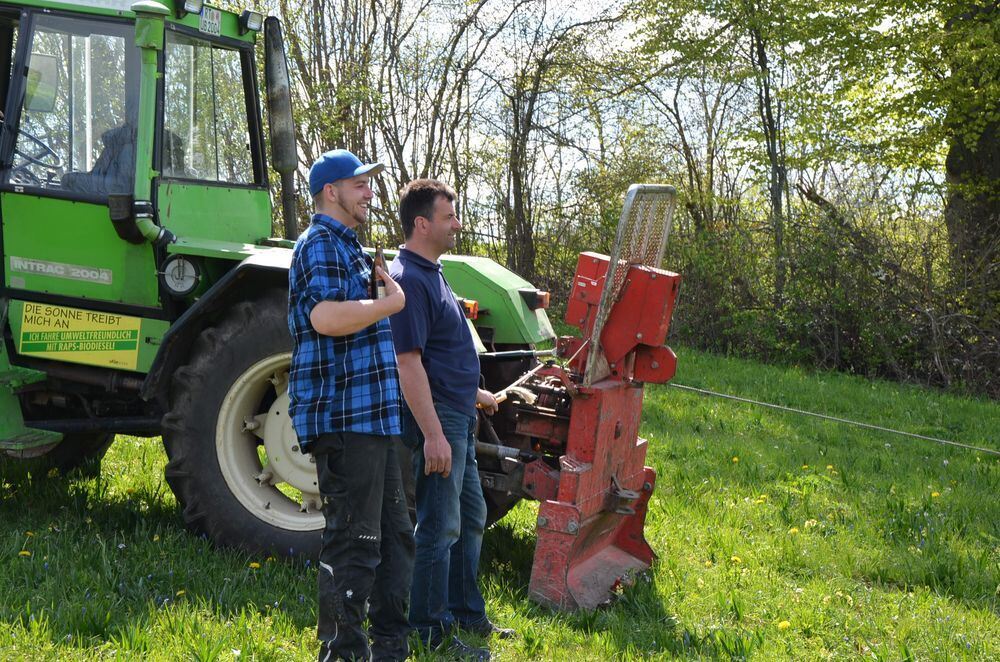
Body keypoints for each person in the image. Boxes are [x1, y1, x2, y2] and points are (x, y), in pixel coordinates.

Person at [287, 149, 414, 662]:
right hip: (345, 419)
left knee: (395, 538)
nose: (369, 191)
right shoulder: (319, 243)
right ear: (330, 191)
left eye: (368, 183)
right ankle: (341, 655)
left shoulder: (350, 248)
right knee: (355, 542)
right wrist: (389, 303)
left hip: (374, 421)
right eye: (359, 183)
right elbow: (324, 318)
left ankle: (388, 649)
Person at [389, 179, 514, 660]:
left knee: (470, 516)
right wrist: (434, 435)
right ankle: (427, 629)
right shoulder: (410, 280)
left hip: (458, 409)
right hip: (438, 421)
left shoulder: (432, 272)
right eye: (449, 216)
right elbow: (409, 364)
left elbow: (440, 353)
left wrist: (476, 392)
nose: (457, 223)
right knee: (438, 525)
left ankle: (465, 611)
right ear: (422, 224)